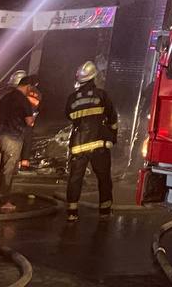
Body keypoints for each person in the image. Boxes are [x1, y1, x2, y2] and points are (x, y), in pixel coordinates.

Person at [64, 61, 117, 222]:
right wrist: (112, 136)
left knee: (75, 178)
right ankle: (105, 211)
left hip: (79, 144)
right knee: (104, 178)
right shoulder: (102, 95)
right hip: (100, 144)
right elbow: (112, 118)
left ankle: (72, 212)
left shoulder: (72, 98)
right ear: (94, 77)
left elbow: (69, 116)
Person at [0, 76, 37, 213]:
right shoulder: (23, 100)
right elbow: (29, 121)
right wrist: (32, 119)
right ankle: (4, 201)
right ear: (28, 87)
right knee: (7, 171)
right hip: (13, 138)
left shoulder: (4, 98)